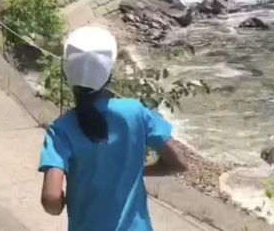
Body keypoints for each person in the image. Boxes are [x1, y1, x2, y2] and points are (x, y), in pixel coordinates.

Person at [38, 27, 189, 229]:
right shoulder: (135, 111)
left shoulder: (61, 129)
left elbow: (51, 198)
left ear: (67, 74)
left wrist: (61, 205)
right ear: (109, 74)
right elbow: (179, 162)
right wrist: (138, 170)